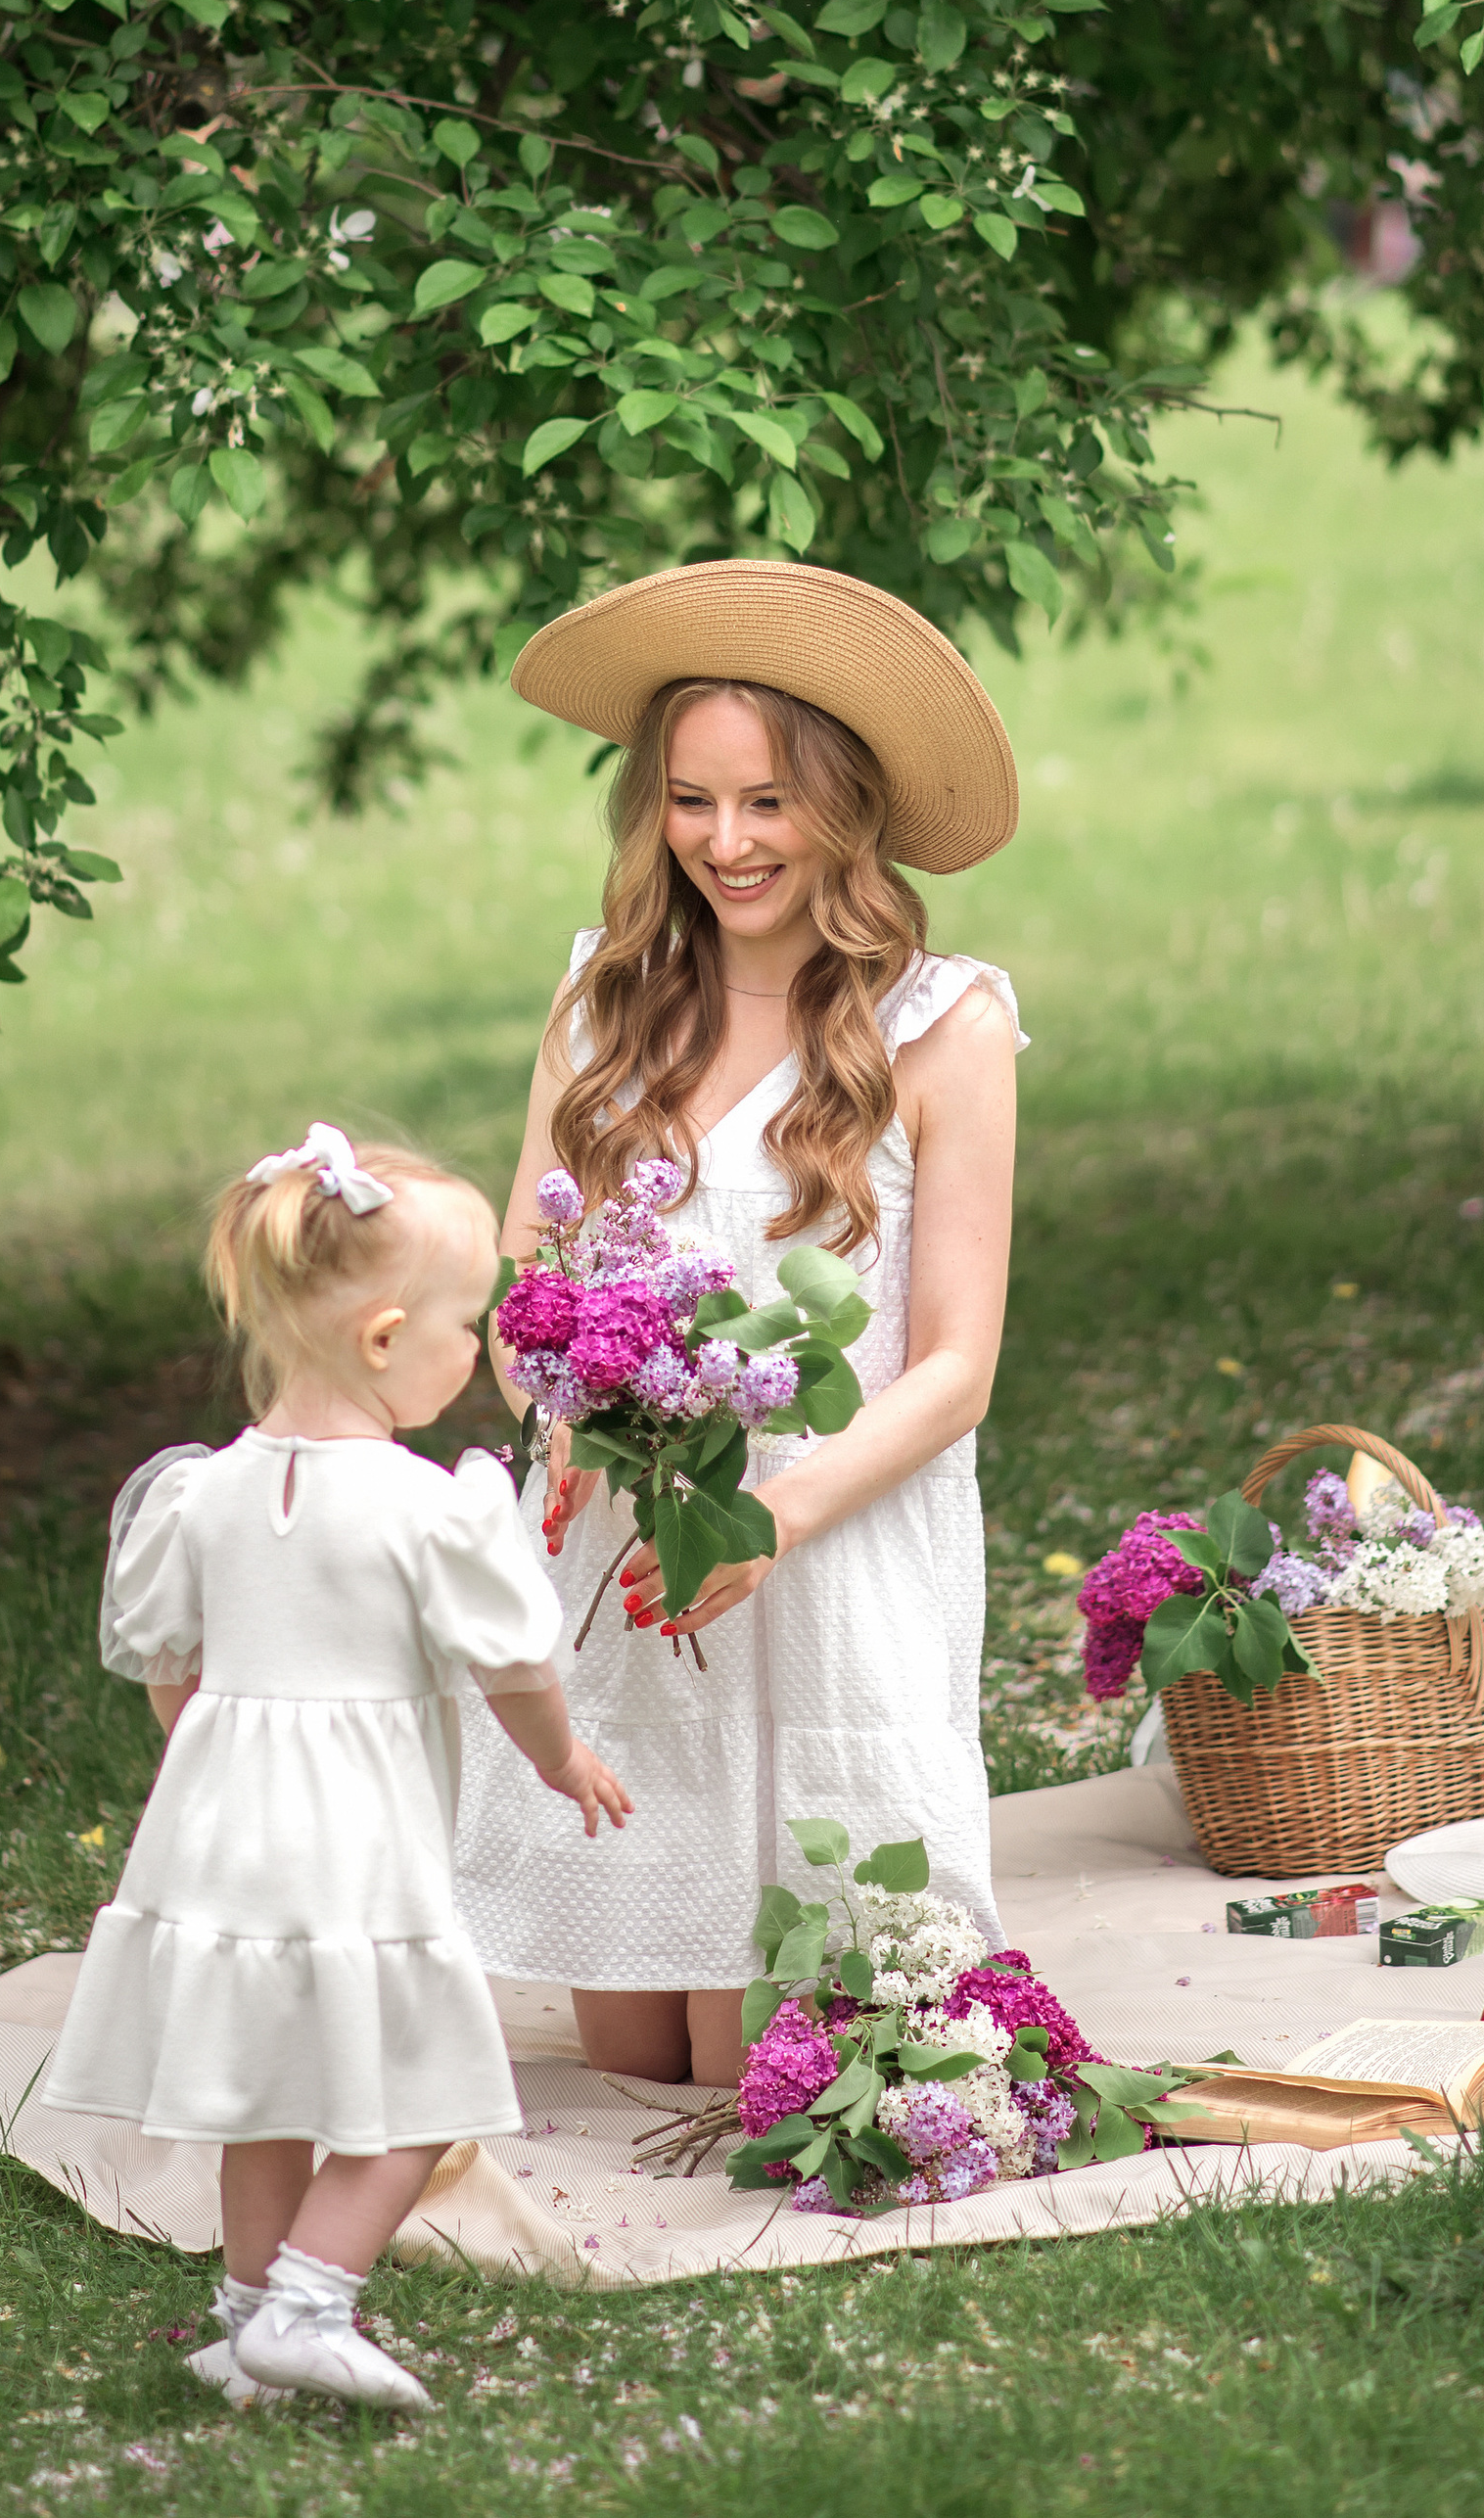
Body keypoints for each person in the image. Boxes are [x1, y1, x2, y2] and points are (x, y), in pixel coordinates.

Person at [455, 559, 1023, 2092]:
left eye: (768, 802)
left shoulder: (943, 1027)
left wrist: (768, 1513)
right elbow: (527, 1273)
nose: (725, 841)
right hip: (628, 1540)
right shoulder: (605, 996)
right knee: (635, 2048)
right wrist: (565, 1400)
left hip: (819, 1541)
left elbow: (955, 1366)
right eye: (692, 803)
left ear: (845, 805)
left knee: (734, 2062)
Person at [42, 1123, 630, 2413]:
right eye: (463, 1323)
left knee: (264, 2086)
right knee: (422, 2080)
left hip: (221, 1828)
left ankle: (246, 2320)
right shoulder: (431, 1507)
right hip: (356, 1835)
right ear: (382, 1339)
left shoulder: (200, 1494)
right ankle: (310, 2300)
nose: (473, 1351)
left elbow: (167, 1669)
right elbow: (515, 1663)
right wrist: (563, 1756)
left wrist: (217, 1773)